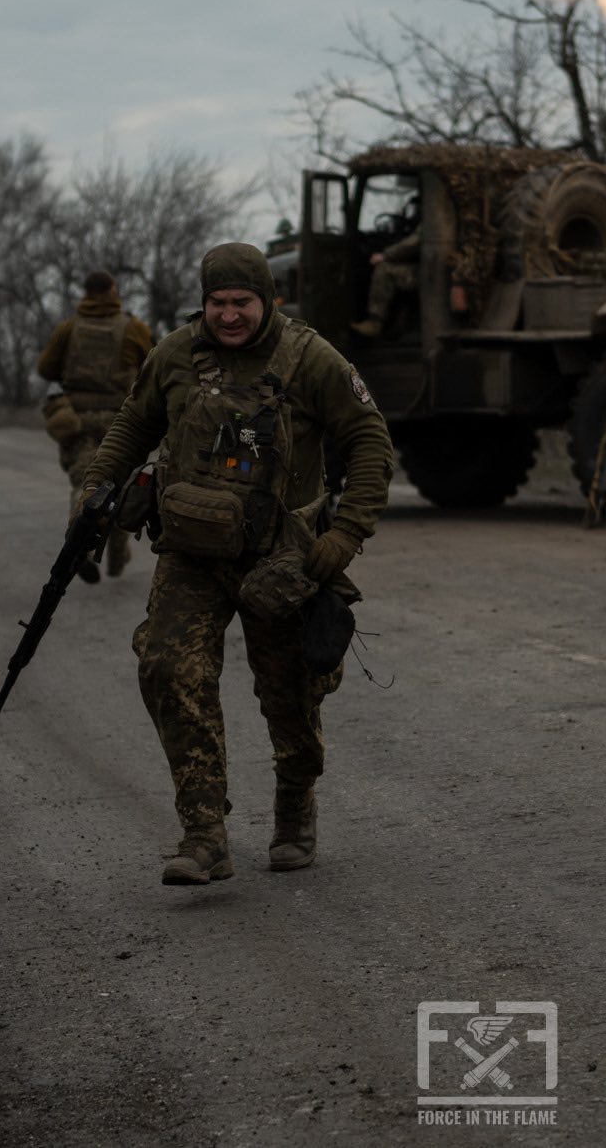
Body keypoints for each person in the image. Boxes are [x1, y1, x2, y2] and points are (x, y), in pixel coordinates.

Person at [76, 242, 394, 886]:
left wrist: (344, 538)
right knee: (168, 667)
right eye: (217, 303)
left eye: (241, 302)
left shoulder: (311, 359)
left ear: (267, 300)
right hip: (192, 554)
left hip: (282, 560)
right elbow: (132, 426)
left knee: (291, 696)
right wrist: (95, 487)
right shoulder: (174, 354)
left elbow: (369, 440)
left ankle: (294, 808)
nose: (227, 315)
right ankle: (204, 832)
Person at [37, 271, 154, 582]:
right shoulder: (133, 328)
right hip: (123, 420)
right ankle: (118, 552)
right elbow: (154, 362)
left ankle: (82, 548)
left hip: (80, 419)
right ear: (113, 291)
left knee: (86, 481)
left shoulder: (68, 329)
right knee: (121, 485)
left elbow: (46, 367)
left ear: (86, 294)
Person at [349, 194, 422, 338]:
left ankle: (375, 322)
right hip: (423, 269)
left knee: (384, 270)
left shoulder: (432, 220)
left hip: (424, 274)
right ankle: (395, 325)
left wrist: (386, 255)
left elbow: (414, 243)